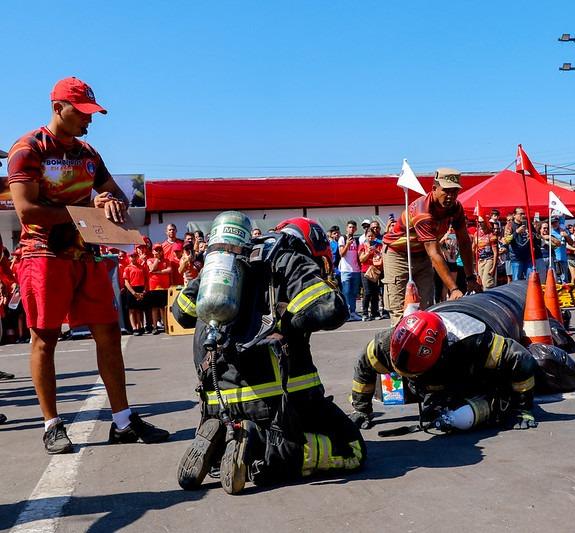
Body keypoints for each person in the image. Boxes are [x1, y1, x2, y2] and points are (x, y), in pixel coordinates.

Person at [6, 76, 168, 454]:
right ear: (57, 107)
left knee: (110, 333)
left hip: (88, 255)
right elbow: (27, 209)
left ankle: (123, 421)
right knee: (44, 338)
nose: (88, 121)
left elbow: (111, 189)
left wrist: (111, 200)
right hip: (42, 254)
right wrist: (83, 210)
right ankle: (52, 424)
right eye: (81, 113)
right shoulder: (28, 149)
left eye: (91, 113)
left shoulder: (88, 153)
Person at [173, 217, 364, 494]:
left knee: (232, 434)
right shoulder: (290, 260)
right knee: (351, 450)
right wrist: (287, 326)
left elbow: (181, 312)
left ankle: (223, 445)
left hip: (216, 401)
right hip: (279, 403)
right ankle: (259, 448)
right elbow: (331, 309)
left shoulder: (227, 266)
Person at [350, 310, 539, 432]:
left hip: (464, 367)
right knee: (434, 410)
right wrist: (361, 409)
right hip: (436, 374)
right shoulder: (384, 343)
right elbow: (364, 367)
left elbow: (520, 358)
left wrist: (523, 408)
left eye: (414, 374)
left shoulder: (472, 342)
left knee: (484, 400)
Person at [381, 168, 478, 324]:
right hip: (398, 254)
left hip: (422, 254)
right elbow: (434, 253)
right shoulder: (422, 211)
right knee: (400, 309)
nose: (451, 196)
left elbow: (464, 242)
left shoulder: (456, 208)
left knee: (426, 306)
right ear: (434, 189)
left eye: (455, 192)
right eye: (446, 191)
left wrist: (470, 277)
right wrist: (453, 289)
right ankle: (398, 342)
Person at [358, 224, 383, 321]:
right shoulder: (362, 246)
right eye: (368, 236)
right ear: (365, 236)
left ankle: (375, 312)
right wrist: (368, 252)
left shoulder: (378, 245)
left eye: (372, 236)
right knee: (367, 292)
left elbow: (381, 256)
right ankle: (365, 313)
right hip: (365, 271)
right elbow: (361, 259)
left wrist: (376, 251)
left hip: (375, 270)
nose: (370, 237)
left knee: (375, 293)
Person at [338, 220, 362, 321]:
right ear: (347, 228)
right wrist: (347, 244)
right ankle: (346, 313)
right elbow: (342, 254)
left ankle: (353, 312)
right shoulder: (342, 238)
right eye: (350, 227)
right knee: (346, 292)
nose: (351, 229)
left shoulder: (357, 240)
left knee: (354, 293)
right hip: (345, 270)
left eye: (353, 227)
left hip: (356, 270)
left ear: (356, 229)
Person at [146, 244, 171, 334]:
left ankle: (166, 325)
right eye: (156, 250)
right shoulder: (150, 260)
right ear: (153, 251)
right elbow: (152, 268)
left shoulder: (166, 260)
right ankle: (155, 326)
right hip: (154, 287)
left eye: (159, 250)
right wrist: (157, 259)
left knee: (163, 307)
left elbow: (169, 270)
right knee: (154, 308)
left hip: (164, 287)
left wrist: (158, 272)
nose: (158, 252)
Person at [504, 207, 533, 281]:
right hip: (516, 258)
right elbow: (506, 240)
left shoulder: (528, 224)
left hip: (528, 257)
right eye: (521, 214)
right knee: (517, 281)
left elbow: (536, 235)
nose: (523, 216)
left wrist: (531, 236)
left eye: (524, 214)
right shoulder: (510, 226)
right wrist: (516, 232)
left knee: (530, 280)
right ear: (514, 215)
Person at [473, 217, 498, 289]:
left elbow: (495, 252)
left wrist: (493, 267)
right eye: (478, 222)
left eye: (482, 222)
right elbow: (473, 248)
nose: (479, 223)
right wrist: (474, 262)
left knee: (487, 283)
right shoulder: (476, 234)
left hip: (489, 260)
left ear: (486, 222)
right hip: (480, 261)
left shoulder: (491, 235)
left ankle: (490, 299)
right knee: (480, 283)